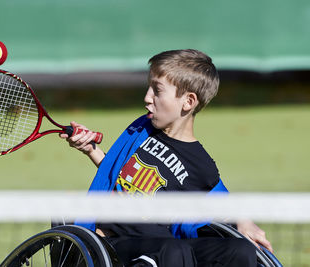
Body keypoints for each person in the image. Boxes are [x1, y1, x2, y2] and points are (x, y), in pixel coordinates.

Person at [60, 49, 272, 266]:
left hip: (165, 246)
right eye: (148, 87)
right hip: (114, 243)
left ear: (188, 101)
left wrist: (245, 221)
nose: (147, 97)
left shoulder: (201, 166)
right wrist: (91, 149)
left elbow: (220, 200)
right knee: (173, 250)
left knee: (239, 249)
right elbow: (117, 173)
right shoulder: (141, 128)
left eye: (157, 90)